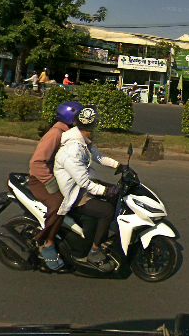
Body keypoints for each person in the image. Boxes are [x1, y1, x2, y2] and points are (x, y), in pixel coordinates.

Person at [54, 105, 120, 271]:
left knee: (116, 193)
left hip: (81, 186)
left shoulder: (82, 140)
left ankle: (101, 234)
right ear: (89, 128)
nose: (96, 129)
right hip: (74, 193)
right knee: (107, 211)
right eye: (95, 126)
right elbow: (84, 182)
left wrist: (119, 166)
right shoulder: (73, 150)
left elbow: (99, 157)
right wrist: (104, 191)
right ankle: (94, 251)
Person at [28, 101, 84, 271]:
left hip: (60, 178)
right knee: (61, 203)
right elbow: (37, 163)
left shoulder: (71, 134)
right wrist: (53, 184)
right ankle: (46, 241)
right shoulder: (55, 134)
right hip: (41, 180)